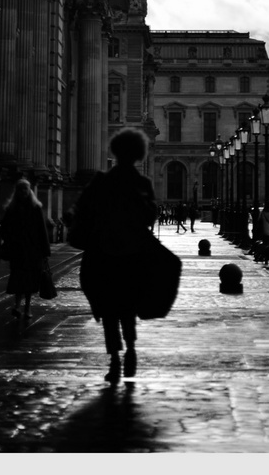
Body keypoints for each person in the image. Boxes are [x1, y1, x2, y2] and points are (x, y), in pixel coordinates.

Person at [72, 128, 157, 384]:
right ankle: (130, 348)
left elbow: (82, 211)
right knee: (128, 307)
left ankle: (114, 360)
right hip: (133, 255)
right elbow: (150, 217)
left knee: (108, 308)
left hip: (103, 254)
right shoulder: (142, 184)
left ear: (116, 152)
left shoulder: (101, 181)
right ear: (138, 154)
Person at [0, 178, 51, 319]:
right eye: (21, 189)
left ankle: (27, 307)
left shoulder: (36, 208)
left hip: (33, 251)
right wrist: (10, 241)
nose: (23, 191)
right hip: (18, 251)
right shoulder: (11, 209)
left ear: (29, 191)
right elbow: (4, 229)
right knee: (18, 278)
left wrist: (45, 251)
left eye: (25, 189)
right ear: (17, 191)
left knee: (30, 280)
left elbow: (42, 231)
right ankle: (17, 305)